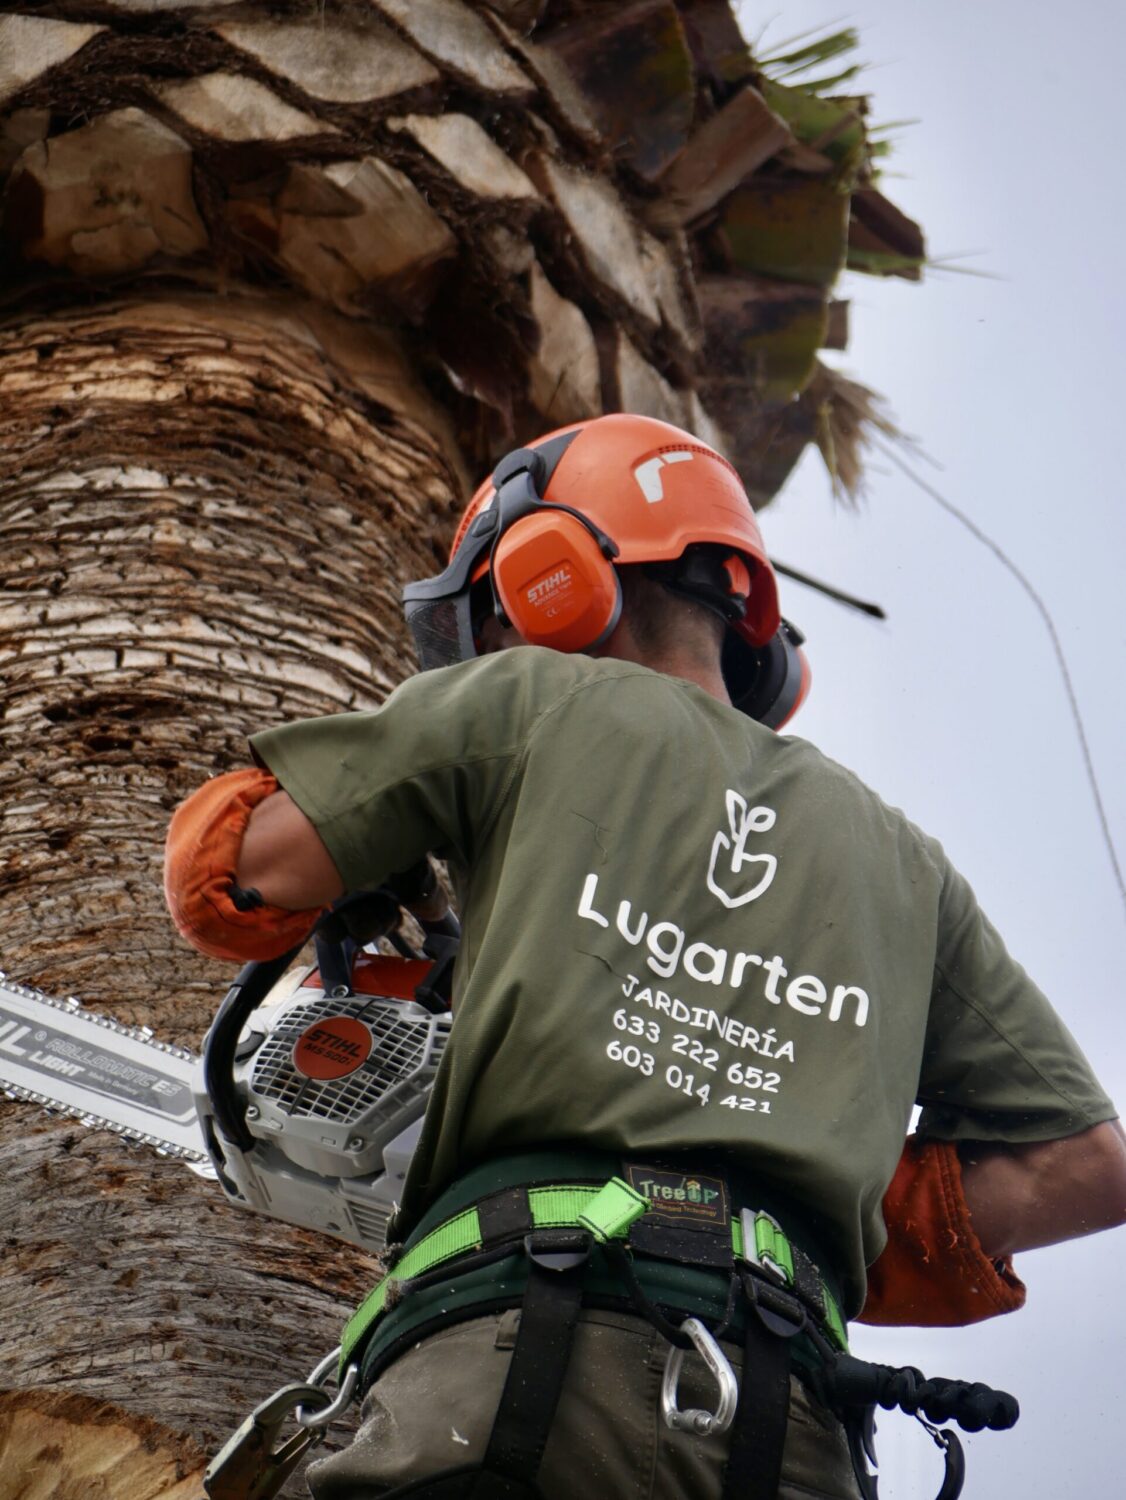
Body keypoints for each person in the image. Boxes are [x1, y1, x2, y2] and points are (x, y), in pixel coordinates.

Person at [165, 414, 1126, 1500]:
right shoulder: (905, 861)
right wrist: (816, 1178)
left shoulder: (523, 701)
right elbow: (1084, 1166)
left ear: (545, 576)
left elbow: (237, 878)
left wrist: (364, 858)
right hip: (792, 1428)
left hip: (512, 1379)